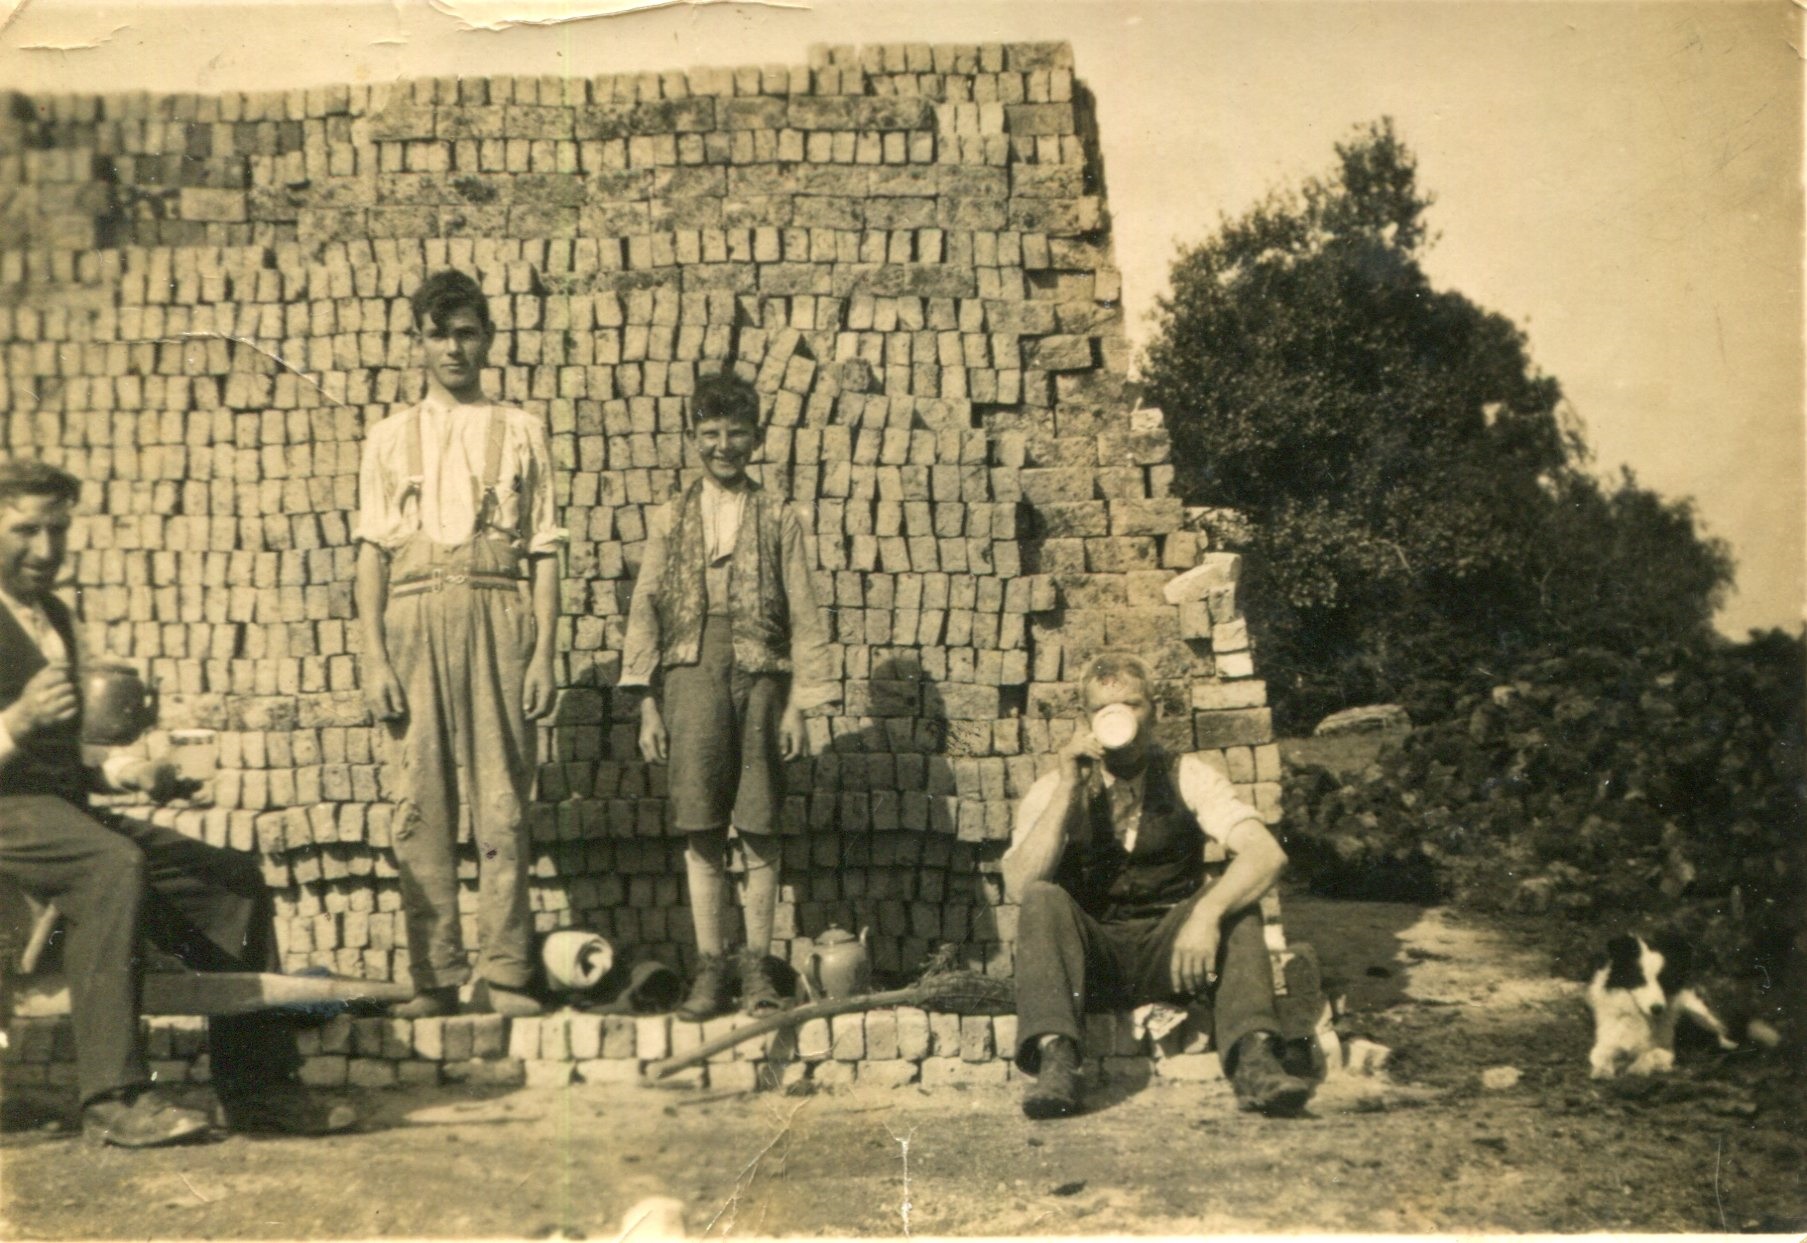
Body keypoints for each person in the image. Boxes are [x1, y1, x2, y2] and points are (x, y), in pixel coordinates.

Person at [0, 458, 357, 1146]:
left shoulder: (53, 617)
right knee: (110, 864)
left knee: (230, 883)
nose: (45, 550)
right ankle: (114, 1099)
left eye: (57, 530)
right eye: (25, 531)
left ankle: (259, 1091)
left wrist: (132, 771)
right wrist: (16, 719)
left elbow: (67, 755)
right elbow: (25, 734)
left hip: (59, 811)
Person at [355, 270, 565, 1018]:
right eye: (438, 334)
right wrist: (374, 658)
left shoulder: (521, 429)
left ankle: (505, 972)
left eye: (466, 333)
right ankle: (435, 977)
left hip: (496, 612)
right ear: (417, 342)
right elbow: (371, 555)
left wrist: (543, 654)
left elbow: (546, 550)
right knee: (420, 800)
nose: (453, 348)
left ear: (489, 339)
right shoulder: (387, 437)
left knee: (502, 803)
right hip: (412, 618)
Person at [1002, 652, 1316, 1119]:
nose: (1120, 718)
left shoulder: (1188, 775)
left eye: (1133, 704)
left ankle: (1255, 1061)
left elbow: (1267, 854)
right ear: (1086, 720)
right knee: (1043, 898)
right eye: (1104, 710)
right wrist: (1068, 790)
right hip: (1093, 964)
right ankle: (1057, 1063)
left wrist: (1206, 915)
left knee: (1235, 900)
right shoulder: (1056, 787)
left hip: (1175, 956)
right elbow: (1020, 885)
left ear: (1156, 712)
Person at [620, 372, 837, 1019]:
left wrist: (798, 704)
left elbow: (803, 611)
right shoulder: (669, 517)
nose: (723, 446)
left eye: (736, 433)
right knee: (702, 823)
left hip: (762, 678)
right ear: (693, 437)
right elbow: (645, 609)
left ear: (756, 438)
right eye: (710, 433)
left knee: (761, 821)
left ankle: (758, 969)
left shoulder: (779, 516)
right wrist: (647, 702)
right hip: (690, 673)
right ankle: (711, 969)